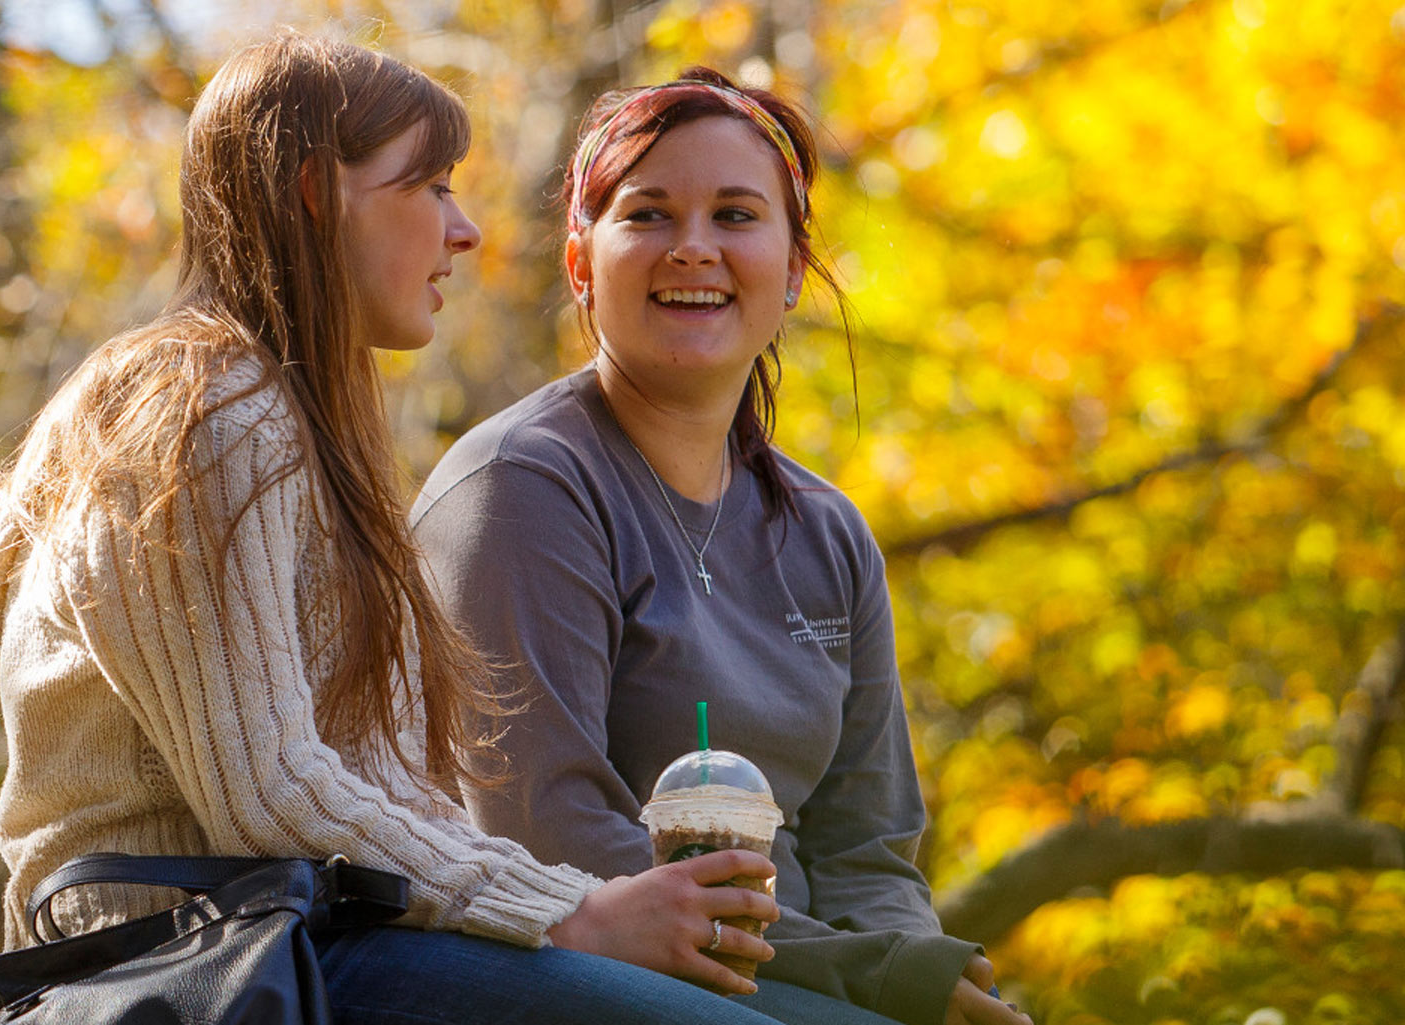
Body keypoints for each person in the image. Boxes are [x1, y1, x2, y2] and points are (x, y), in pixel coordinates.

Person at [0, 34, 791, 1025]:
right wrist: (575, 910)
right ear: (317, 191)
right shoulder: (200, 409)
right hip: (195, 964)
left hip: (303, 942)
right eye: (430, 187)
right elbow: (269, 791)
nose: (466, 229)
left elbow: (391, 800)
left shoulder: (288, 423)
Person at [409, 69, 1034, 1025]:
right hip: (577, 980)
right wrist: (875, 977)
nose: (692, 247)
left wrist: (914, 976)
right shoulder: (522, 488)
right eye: (648, 214)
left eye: (737, 215)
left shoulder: (828, 535)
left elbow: (867, 853)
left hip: (802, 985)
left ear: (793, 269)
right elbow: (550, 833)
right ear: (581, 264)